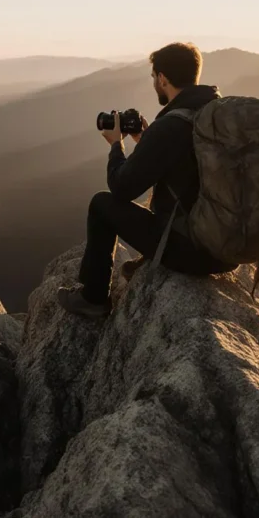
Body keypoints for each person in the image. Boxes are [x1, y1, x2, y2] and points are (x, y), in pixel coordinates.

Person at [57, 42, 238, 317]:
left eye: (154, 77)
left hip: (195, 252)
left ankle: (92, 298)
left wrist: (116, 146)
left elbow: (121, 188)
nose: (154, 82)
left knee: (101, 204)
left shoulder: (172, 126)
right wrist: (146, 143)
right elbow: (189, 173)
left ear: (163, 78)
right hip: (228, 248)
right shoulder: (215, 113)